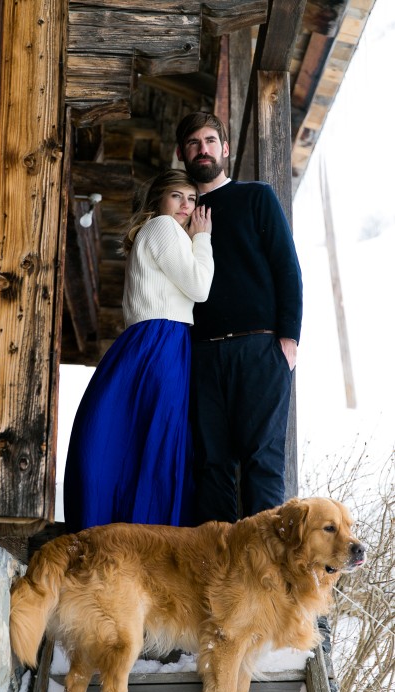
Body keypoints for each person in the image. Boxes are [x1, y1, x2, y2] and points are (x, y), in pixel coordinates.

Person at [63, 169, 213, 532]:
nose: (185, 206)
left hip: (152, 341)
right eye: (177, 196)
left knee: (139, 434)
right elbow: (200, 286)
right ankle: (150, 526)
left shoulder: (159, 233)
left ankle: (124, 522)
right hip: (161, 342)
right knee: (159, 436)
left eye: (192, 199)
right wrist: (203, 239)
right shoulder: (164, 227)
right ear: (159, 200)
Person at [175, 111, 303, 524]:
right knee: (211, 464)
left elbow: (287, 267)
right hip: (202, 355)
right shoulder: (178, 213)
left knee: (262, 462)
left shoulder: (256, 197)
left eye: (211, 141)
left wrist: (288, 339)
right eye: (194, 143)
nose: (203, 149)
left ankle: (264, 578)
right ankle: (216, 576)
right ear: (182, 153)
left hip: (259, 347)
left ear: (225, 149)